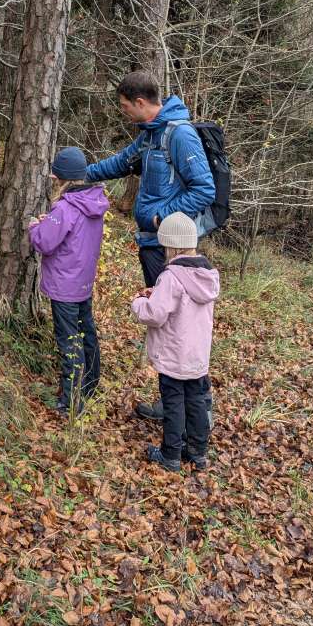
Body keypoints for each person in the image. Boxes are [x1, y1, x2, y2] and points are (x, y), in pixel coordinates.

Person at [86, 70, 215, 422]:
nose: (124, 112)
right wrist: (84, 173)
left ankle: (195, 408)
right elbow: (121, 163)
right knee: (166, 327)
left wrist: (163, 219)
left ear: (141, 103)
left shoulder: (180, 135)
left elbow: (205, 189)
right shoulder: (149, 136)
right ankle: (173, 404)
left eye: (126, 106)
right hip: (151, 244)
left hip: (168, 248)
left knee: (177, 326)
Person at [131, 213, 219, 472]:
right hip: (197, 356)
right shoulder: (206, 274)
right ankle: (197, 452)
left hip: (173, 355)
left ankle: (170, 455)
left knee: (173, 404)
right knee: (196, 402)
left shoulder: (171, 276)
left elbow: (155, 314)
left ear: (171, 246)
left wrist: (138, 302)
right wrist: (155, 294)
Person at [29, 147, 109, 417]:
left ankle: (71, 403)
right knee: (87, 334)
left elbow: (44, 242)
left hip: (64, 287)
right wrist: (47, 222)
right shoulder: (93, 203)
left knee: (69, 341)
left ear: (61, 178)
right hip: (83, 282)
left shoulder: (65, 207)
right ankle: (90, 386)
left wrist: (33, 227)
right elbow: (68, 234)